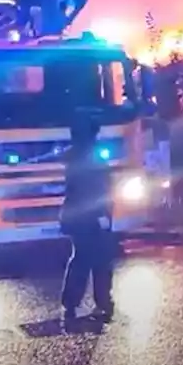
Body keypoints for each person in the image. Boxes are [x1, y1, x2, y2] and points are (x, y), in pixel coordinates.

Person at [59, 113, 116, 323]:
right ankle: (103, 302)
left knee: (81, 258)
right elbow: (97, 190)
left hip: (75, 216)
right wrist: (102, 215)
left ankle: (71, 303)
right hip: (93, 216)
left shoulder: (73, 156)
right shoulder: (92, 157)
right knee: (101, 259)